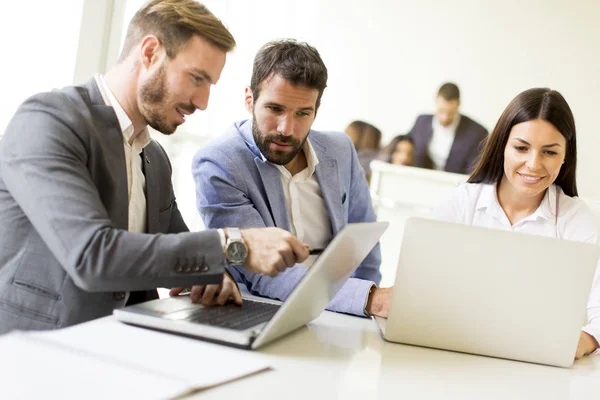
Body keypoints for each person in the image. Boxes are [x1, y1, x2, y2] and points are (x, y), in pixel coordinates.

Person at [0, 0, 308, 334]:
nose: (202, 101)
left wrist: (211, 275)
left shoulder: (154, 157)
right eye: (196, 78)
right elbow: (92, 255)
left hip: (124, 347)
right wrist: (235, 245)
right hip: (33, 350)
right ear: (150, 53)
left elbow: (180, 249)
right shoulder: (48, 121)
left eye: (210, 85)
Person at [192, 39, 391, 318]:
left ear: (316, 111)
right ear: (250, 99)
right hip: (263, 311)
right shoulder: (220, 162)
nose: (287, 128)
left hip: (343, 311)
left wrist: (366, 311)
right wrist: (368, 299)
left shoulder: (340, 151)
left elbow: (365, 240)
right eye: (275, 109)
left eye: (302, 113)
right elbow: (264, 273)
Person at [431, 87, 600, 359]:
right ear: (502, 147)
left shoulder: (576, 220)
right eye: (521, 148)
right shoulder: (461, 203)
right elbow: (422, 290)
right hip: (455, 356)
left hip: (539, 366)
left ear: (566, 156)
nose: (533, 164)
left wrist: (586, 340)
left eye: (550, 152)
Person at [409, 82, 487, 174]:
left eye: (451, 113)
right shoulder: (421, 121)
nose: (444, 117)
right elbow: (405, 145)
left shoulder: (477, 133)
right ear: (436, 101)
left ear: (458, 104)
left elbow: (475, 172)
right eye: (441, 111)